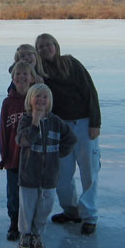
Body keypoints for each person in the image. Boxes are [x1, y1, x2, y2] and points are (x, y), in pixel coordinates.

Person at [35, 33, 101, 236]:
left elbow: (90, 91)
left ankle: (89, 216)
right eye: (41, 46)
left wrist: (95, 122)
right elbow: (16, 69)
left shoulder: (71, 64)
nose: (46, 49)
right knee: (62, 174)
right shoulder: (40, 71)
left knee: (88, 171)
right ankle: (71, 211)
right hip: (60, 128)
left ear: (56, 45)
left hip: (83, 123)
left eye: (49, 44)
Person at [16, 84, 77, 248]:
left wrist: (58, 154)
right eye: (38, 96)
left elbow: (71, 139)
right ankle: (25, 235)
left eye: (45, 97)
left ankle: (37, 235)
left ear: (49, 101)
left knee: (45, 207)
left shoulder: (55, 122)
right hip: (29, 175)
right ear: (30, 99)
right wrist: (35, 122)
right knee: (27, 207)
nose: (41, 100)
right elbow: (23, 140)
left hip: (50, 175)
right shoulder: (26, 120)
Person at [0, 61, 36, 241]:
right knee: (13, 193)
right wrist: (4, 155)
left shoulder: (37, 99)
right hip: (13, 156)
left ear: (32, 78)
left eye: (25, 74)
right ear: (12, 78)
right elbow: (3, 130)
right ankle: (14, 223)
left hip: (33, 158)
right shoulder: (8, 102)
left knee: (32, 193)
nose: (21, 77)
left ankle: (31, 223)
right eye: (17, 74)